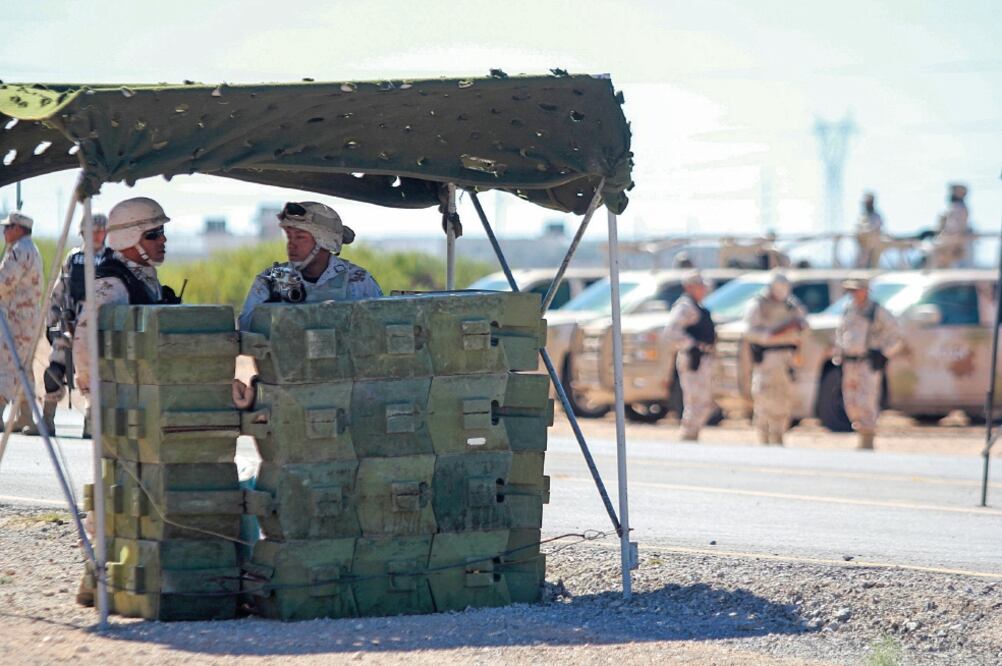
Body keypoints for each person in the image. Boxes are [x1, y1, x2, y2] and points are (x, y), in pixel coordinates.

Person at [73, 198, 180, 405]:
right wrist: (96, 396)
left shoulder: (145, 279)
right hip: (125, 405)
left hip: (147, 398)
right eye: (153, 235)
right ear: (128, 238)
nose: (162, 240)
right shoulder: (113, 285)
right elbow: (84, 343)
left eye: (162, 232)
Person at [22, 215, 112, 436]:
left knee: (93, 376)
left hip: (97, 328)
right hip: (69, 324)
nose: (97, 235)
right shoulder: (74, 258)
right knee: (53, 372)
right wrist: (52, 322)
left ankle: (91, 423)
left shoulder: (111, 260)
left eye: (101, 231)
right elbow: (59, 291)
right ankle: (48, 419)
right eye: (93, 231)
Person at [237, 201, 382, 330]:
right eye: (290, 237)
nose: (291, 244)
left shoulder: (358, 280)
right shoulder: (271, 279)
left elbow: (380, 330)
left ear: (325, 242)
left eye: (300, 237)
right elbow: (248, 331)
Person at [833, 277, 901, 450]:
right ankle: (860, 433)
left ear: (865, 290)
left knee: (867, 401)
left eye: (856, 290)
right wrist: (839, 353)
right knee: (851, 401)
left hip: (867, 362)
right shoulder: (848, 309)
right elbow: (841, 333)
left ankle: (867, 441)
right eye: (851, 291)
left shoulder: (877, 311)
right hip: (850, 362)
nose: (853, 294)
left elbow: (896, 336)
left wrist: (883, 353)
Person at [744, 272, 807, 445]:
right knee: (764, 397)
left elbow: (803, 323)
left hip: (786, 358)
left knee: (784, 397)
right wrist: (776, 332)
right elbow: (750, 332)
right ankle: (764, 437)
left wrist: (797, 327)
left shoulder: (791, 304)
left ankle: (779, 435)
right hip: (767, 357)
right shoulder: (758, 304)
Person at [0, 212, 44, 432]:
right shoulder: (30, 249)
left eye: (8, 227)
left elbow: (3, 283)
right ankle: (26, 415)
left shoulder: (20, 251)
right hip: (27, 318)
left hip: (16, 318)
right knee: (23, 368)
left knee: (6, 364)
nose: (5, 231)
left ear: (19, 229)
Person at [663, 270, 715, 441]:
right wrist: (691, 345)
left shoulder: (697, 306)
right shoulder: (684, 306)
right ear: (689, 287)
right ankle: (688, 436)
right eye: (699, 286)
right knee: (694, 400)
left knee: (704, 401)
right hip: (692, 358)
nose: (703, 290)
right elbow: (671, 332)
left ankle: (693, 434)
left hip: (703, 358)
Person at [931, 183, 972, 268]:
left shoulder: (959, 208)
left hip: (952, 240)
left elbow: (955, 227)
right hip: (949, 240)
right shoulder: (955, 207)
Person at [854, 192, 884, 268]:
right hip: (862, 247)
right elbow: (858, 229)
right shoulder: (862, 216)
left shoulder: (876, 216)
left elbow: (877, 228)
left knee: (873, 265)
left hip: (873, 247)